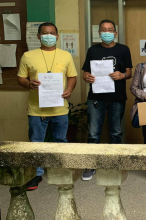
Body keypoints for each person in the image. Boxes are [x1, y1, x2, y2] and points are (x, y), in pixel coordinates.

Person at [17, 22, 78, 190]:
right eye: (45, 33)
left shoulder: (65, 55)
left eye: (52, 33)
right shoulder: (28, 56)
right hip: (37, 108)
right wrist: (29, 83)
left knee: (61, 140)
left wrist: (69, 89)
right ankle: (36, 174)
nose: (48, 36)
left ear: (57, 36)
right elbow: (20, 78)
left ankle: (61, 170)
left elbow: (72, 76)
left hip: (60, 107)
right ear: (38, 36)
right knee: (36, 142)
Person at [82, 19, 133, 181]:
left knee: (116, 132)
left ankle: (115, 164)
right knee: (93, 133)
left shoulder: (123, 50)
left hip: (117, 97)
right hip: (95, 97)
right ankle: (91, 165)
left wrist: (122, 75)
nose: (107, 32)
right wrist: (87, 77)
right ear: (99, 33)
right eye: (103, 30)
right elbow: (85, 73)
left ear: (115, 33)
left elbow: (129, 73)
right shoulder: (92, 50)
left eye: (110, 30)